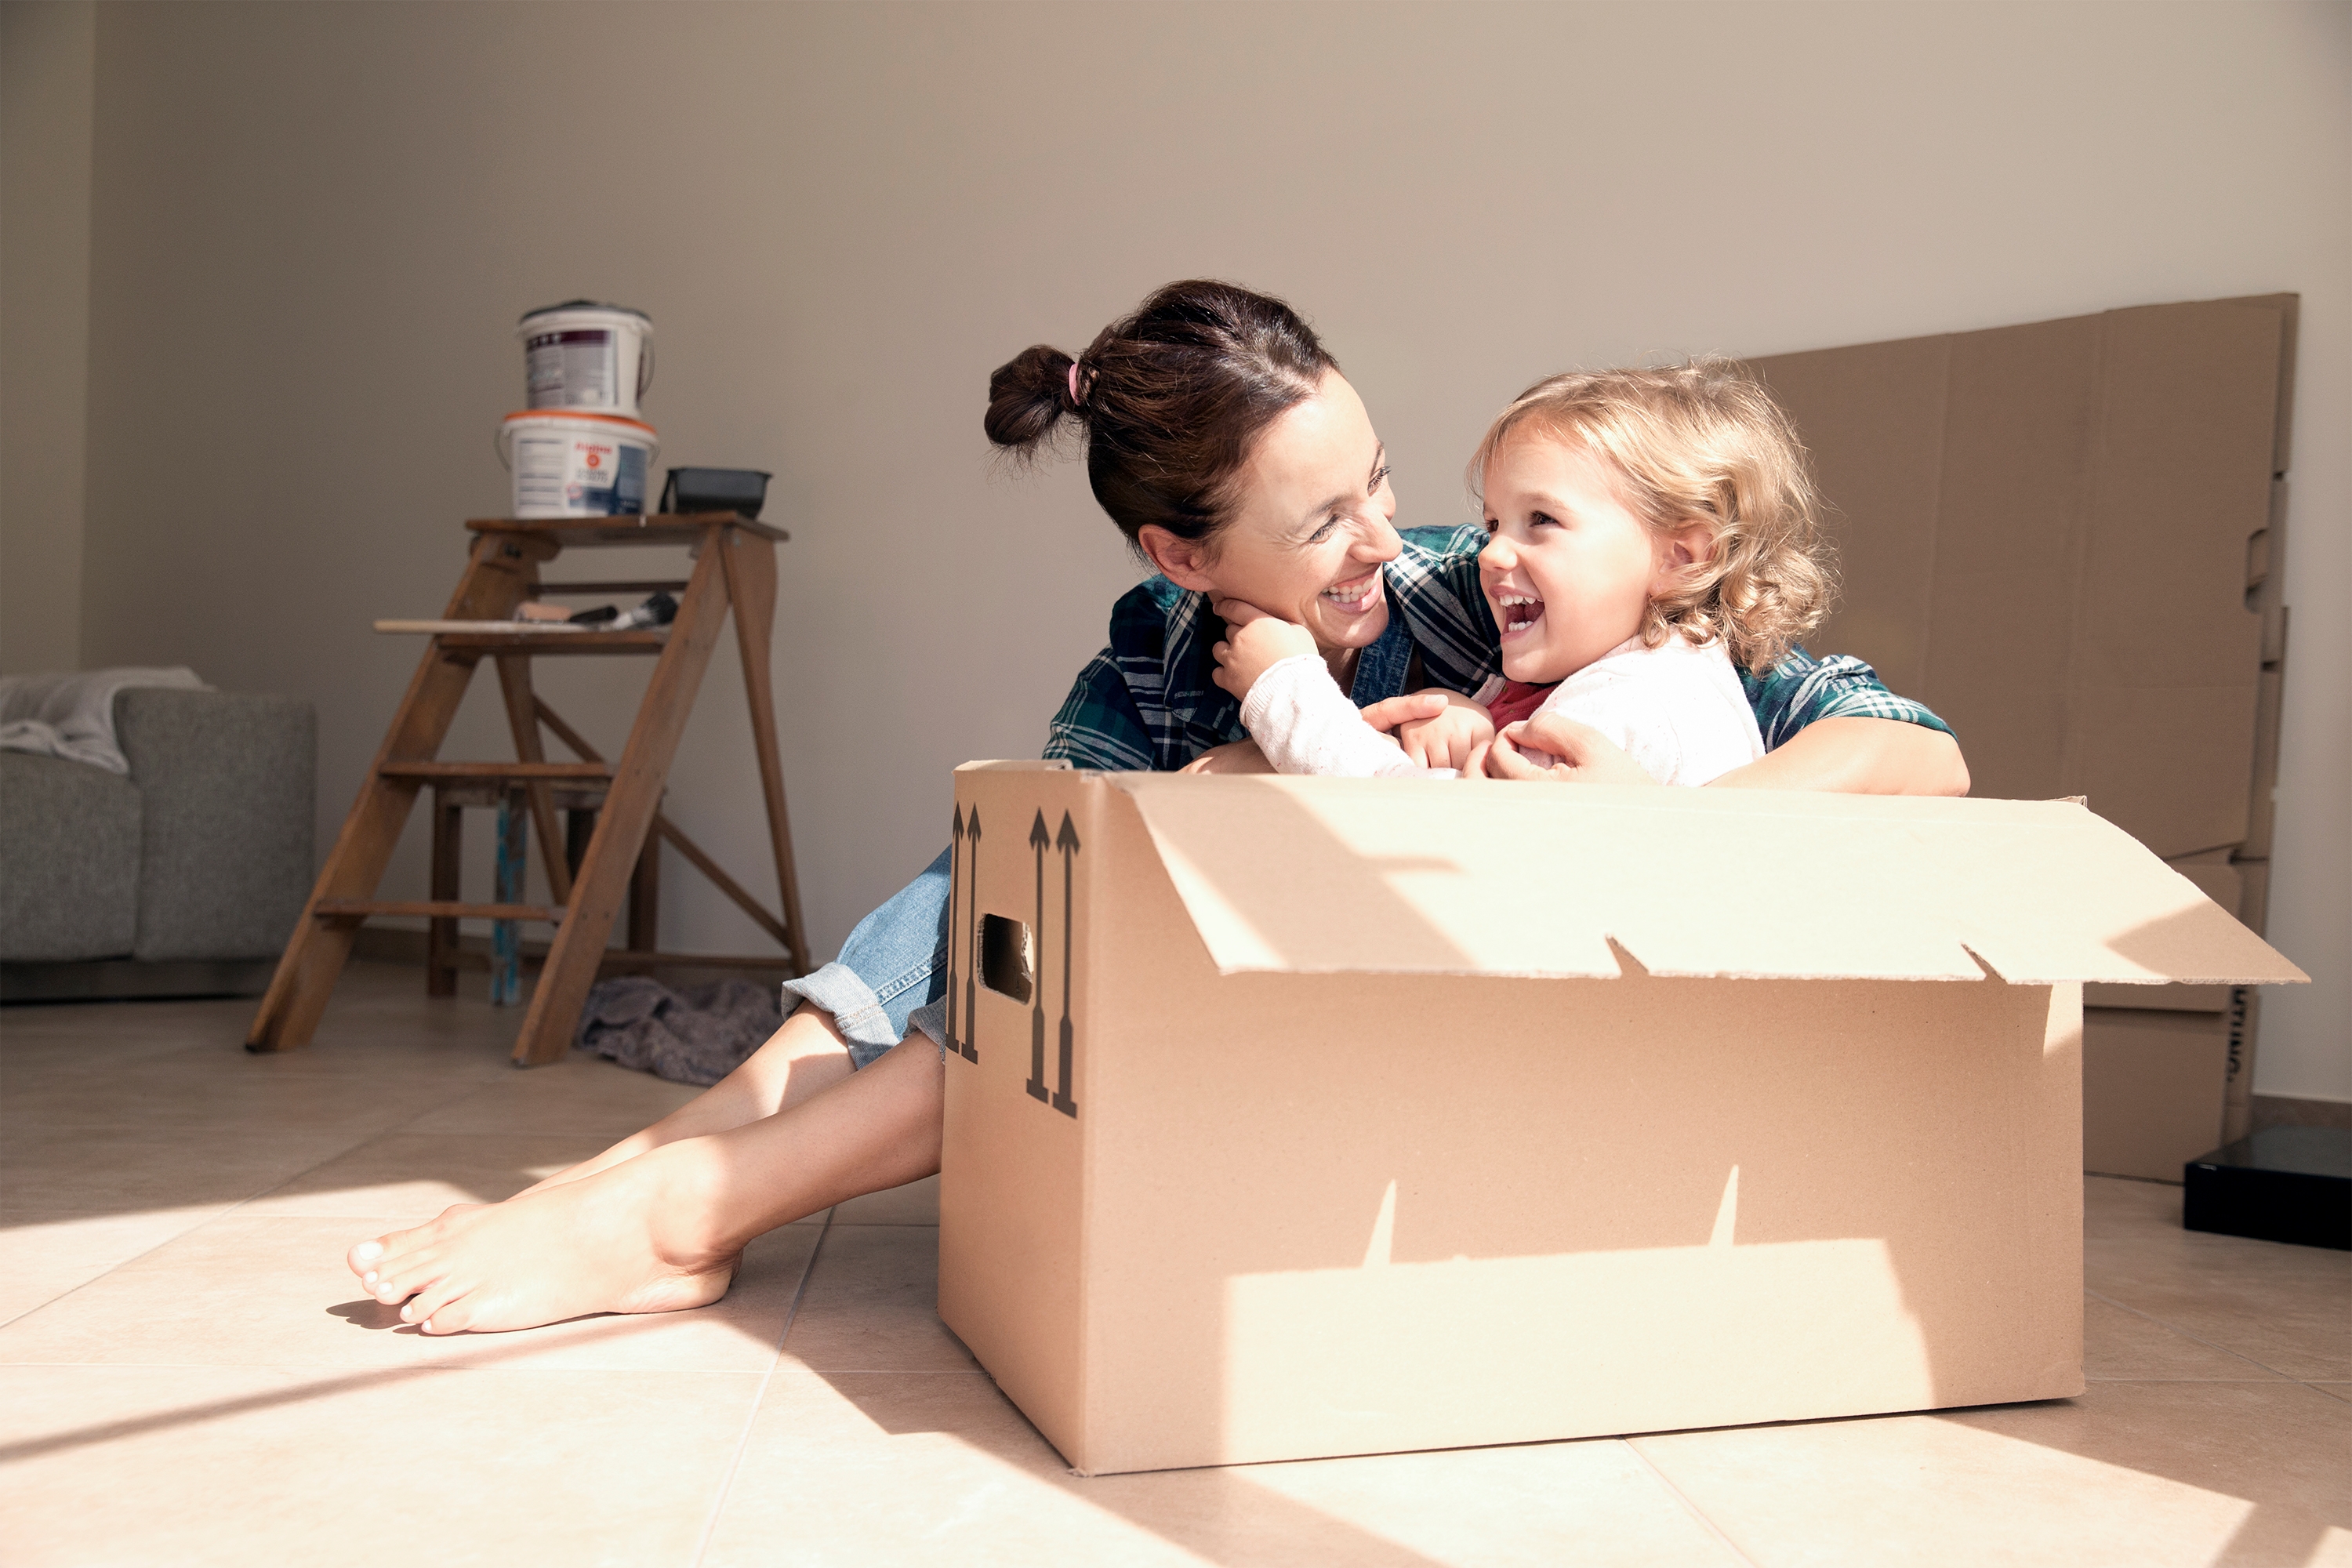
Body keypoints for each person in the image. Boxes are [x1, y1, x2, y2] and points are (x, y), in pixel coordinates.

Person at [347, 280, 1967, 1334]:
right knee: (1000, 878)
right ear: (1183, 558)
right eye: (1325, 518)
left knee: (1067, 893)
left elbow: (1911, 749)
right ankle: (643, 1183)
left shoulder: (1495, 604)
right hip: (1215, 1008)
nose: (1392, 543)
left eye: (1384, 481)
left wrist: (1680, 818)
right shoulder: (1153, 664)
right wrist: (1245, 755)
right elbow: (1028, 919)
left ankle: (678, 1198)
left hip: (1406, 1048)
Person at [1212, 360, 1828, 786]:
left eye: (1542, 520)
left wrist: (1285, 688)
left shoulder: (1633, 704)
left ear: (1681, 558)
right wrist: (1473, 728)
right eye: (1492, 526)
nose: (1491, 554)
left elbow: (1414, 830)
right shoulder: (1640, 679)